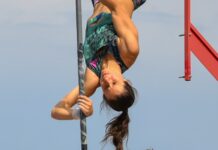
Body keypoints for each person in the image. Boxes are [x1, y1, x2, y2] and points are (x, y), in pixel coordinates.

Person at [51, 0, 146, 149]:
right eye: (114, 83)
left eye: (106, 88)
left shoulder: (92, 77)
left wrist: (79, 113)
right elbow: (118, 7)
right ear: (126, 81)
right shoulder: (129, 50)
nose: (106, 80)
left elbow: (56, 111)